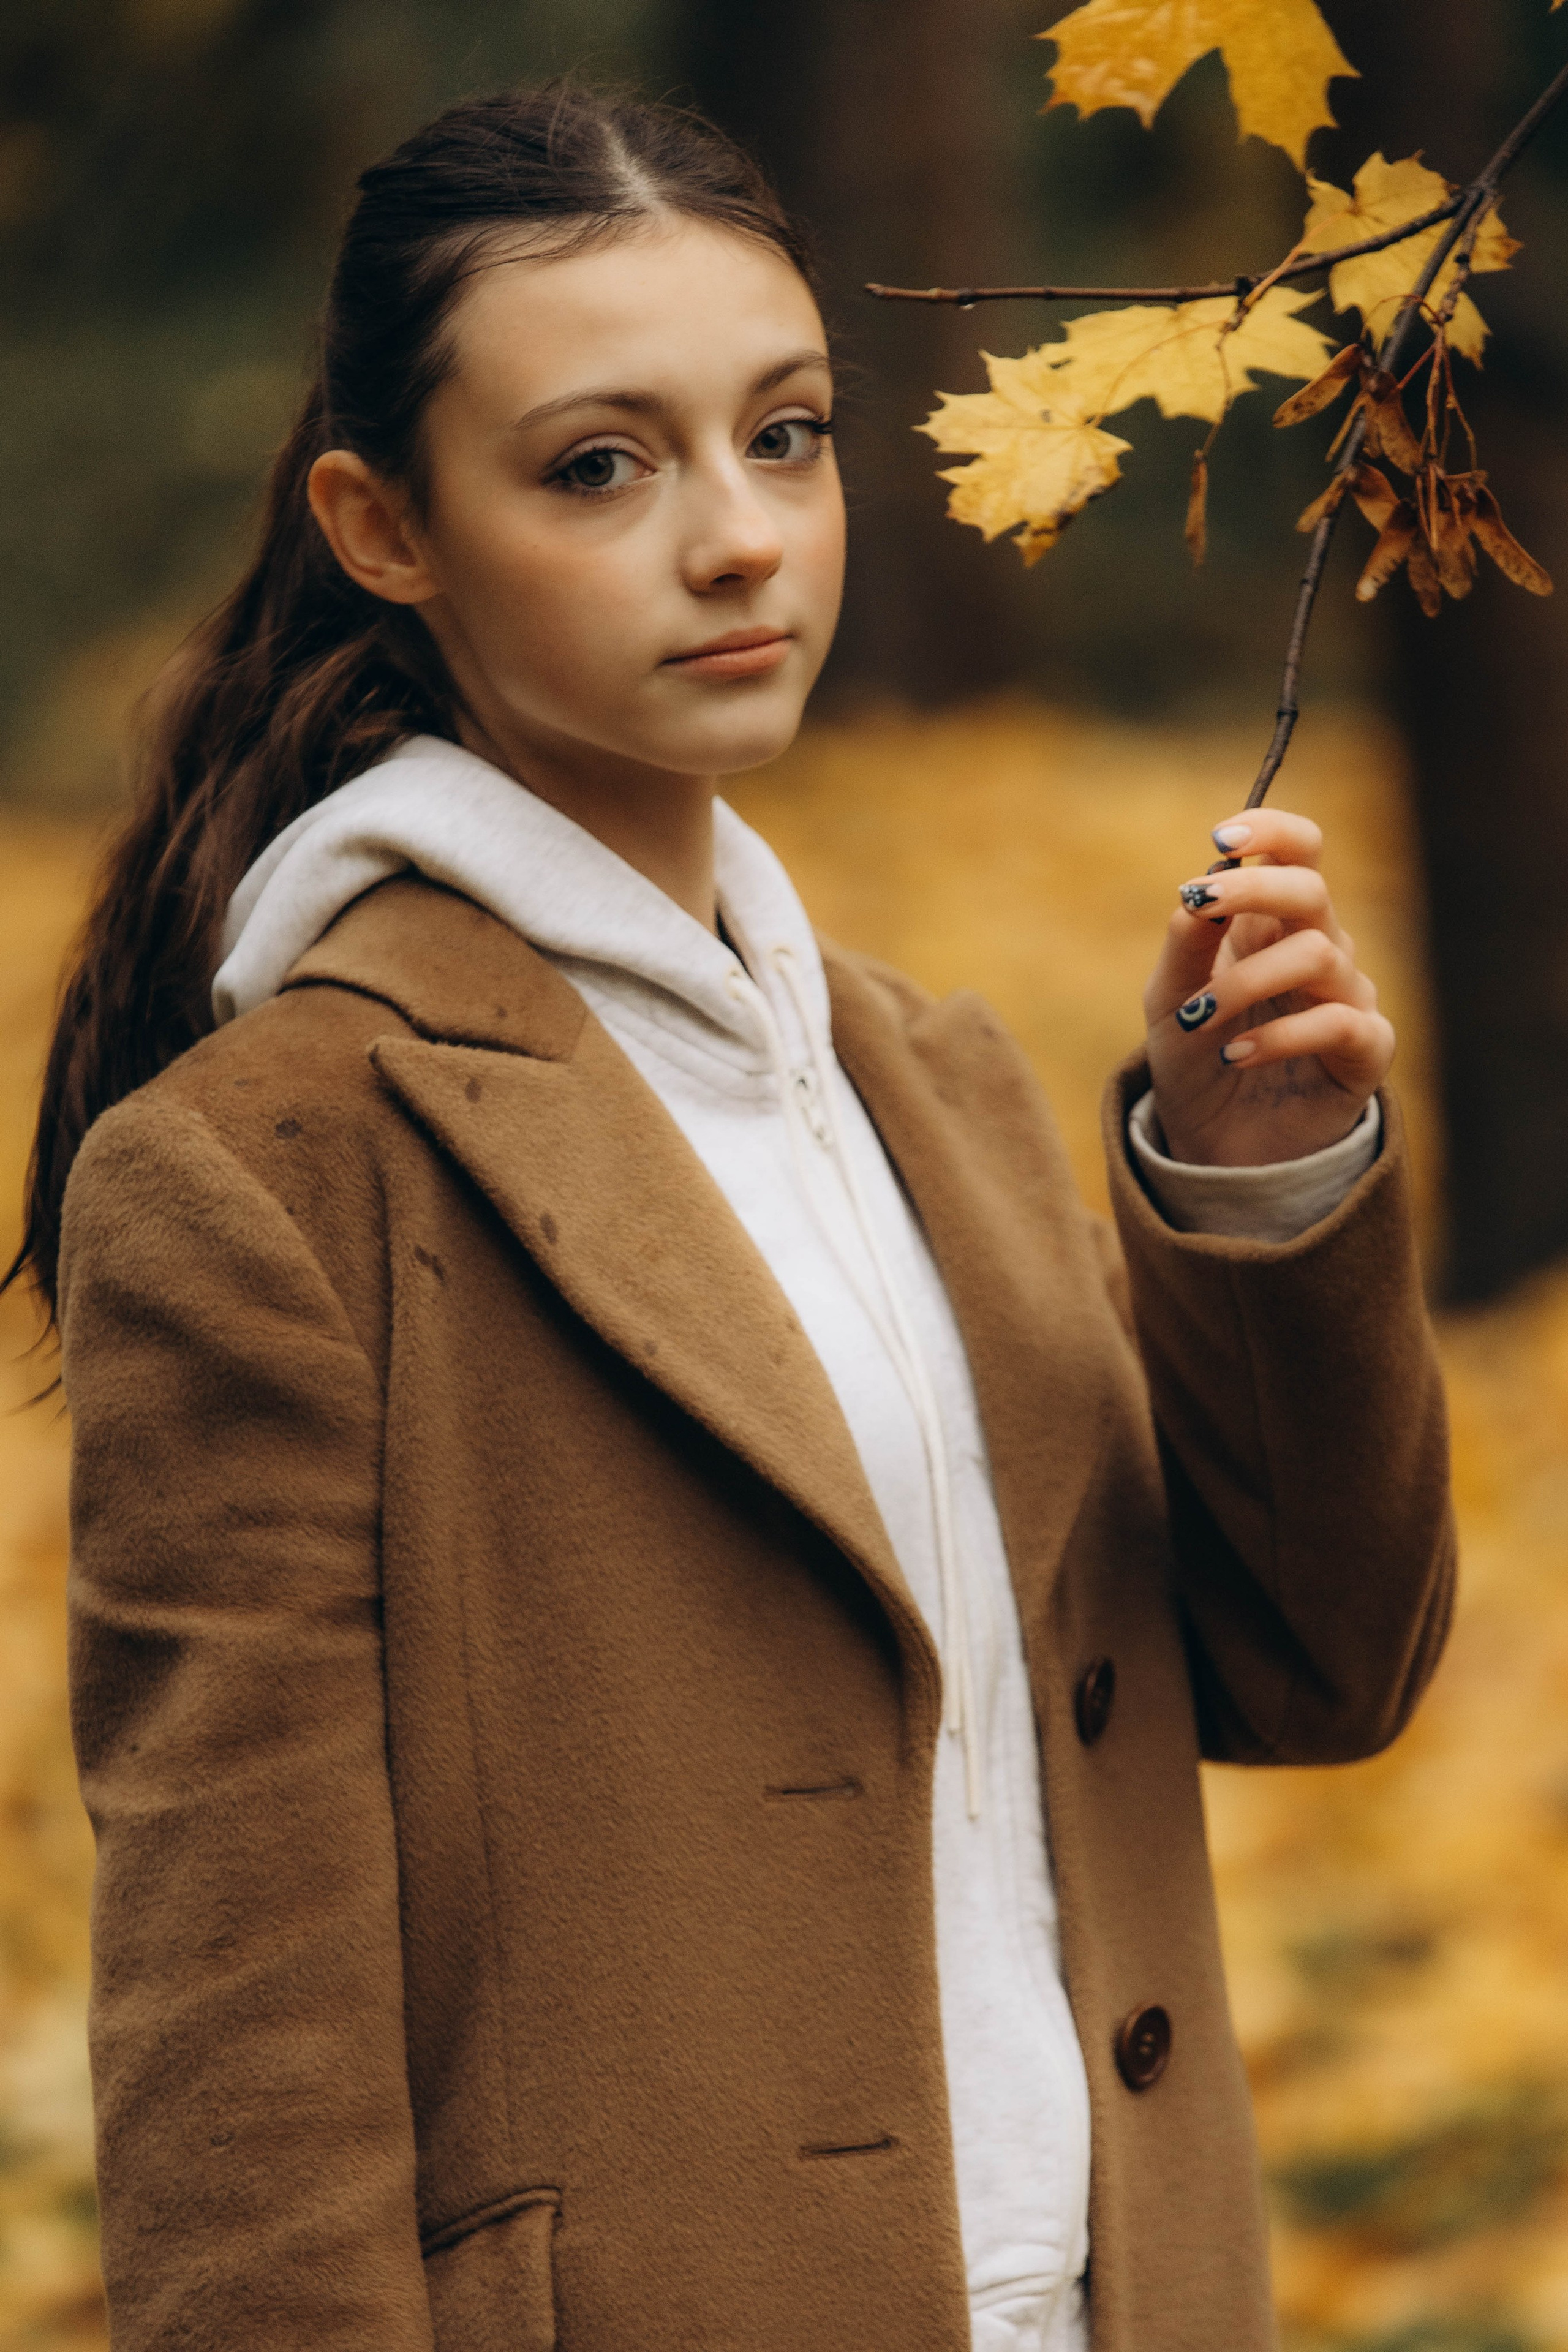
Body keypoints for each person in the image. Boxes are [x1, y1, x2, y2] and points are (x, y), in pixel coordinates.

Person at [15, 83, 1453, 2352]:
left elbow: (1319, 1674)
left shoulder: (938, 1086)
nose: (739, 539)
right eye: (603, 465)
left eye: (786, 437)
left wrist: (1255, 1180)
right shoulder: (267, 1170)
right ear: (383, 526)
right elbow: (246, 2055)